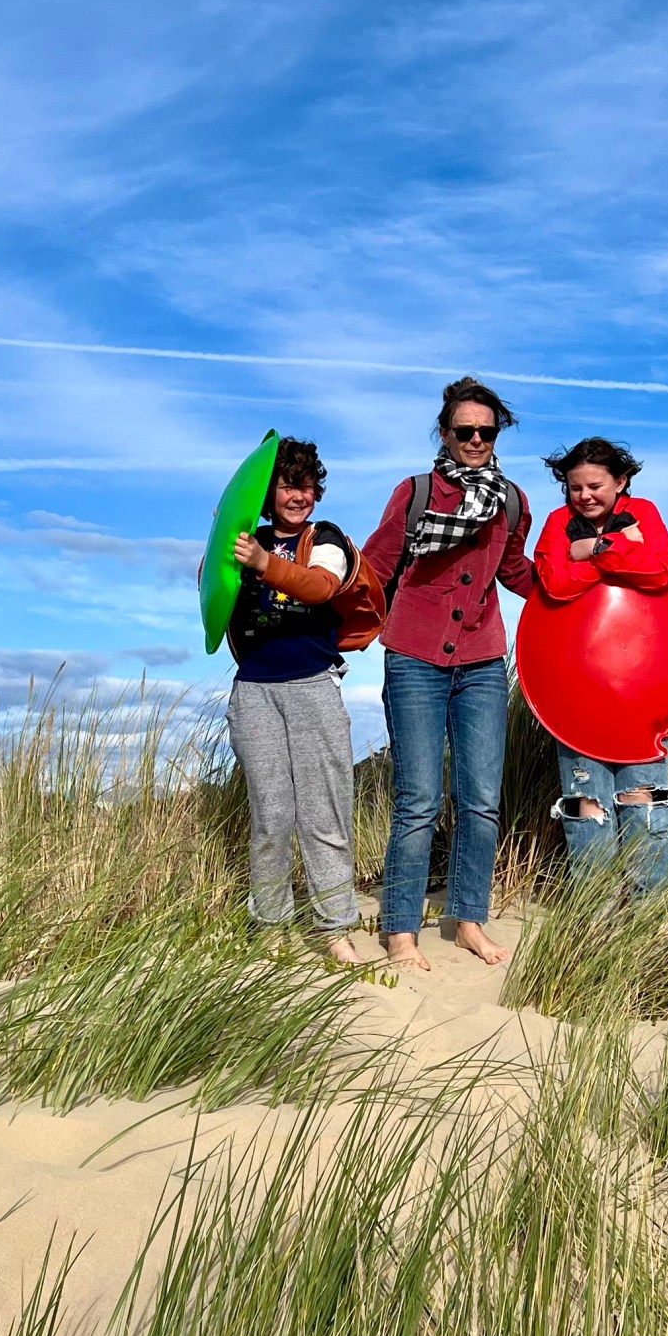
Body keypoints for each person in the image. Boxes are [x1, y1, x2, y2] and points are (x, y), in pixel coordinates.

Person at [360, 378, 533, 971]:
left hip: (482, 658)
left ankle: (467, 921)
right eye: (466, 431)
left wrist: (583, 584)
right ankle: (400, 929)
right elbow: (375, 566)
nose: (477, 440)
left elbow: (515, 572)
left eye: (487, 431)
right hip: (414, 655)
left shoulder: (512, 501)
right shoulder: (414, 493)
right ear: (445, 432)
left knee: (481, 798)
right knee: (419, 799)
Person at [224, 436, 364, 963]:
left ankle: (335, 927)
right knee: (271, 815)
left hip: (312, 685)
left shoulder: (323, 536)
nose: (298, 495)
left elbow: (321, 586)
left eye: (305, 484)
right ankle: (271, 923)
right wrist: (223, 534)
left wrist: (264, 562)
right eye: (286, 485)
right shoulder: (248, 539)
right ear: (269, 493)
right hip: (254, 690)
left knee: (324, 813)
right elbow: (211, 591)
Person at [531, 436, 668, 902]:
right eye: (574, 487)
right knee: (585, 804)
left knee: (644, 801)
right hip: (576, 689)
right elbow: (553, 582)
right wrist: (619, 552)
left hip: (641, 690)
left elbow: (661, 571)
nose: (584, 496)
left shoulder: (644, 513)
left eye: (595, 486)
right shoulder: (558, 522)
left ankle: (647, 914)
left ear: (621, 481)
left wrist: (591, 549)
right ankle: (594, 914)